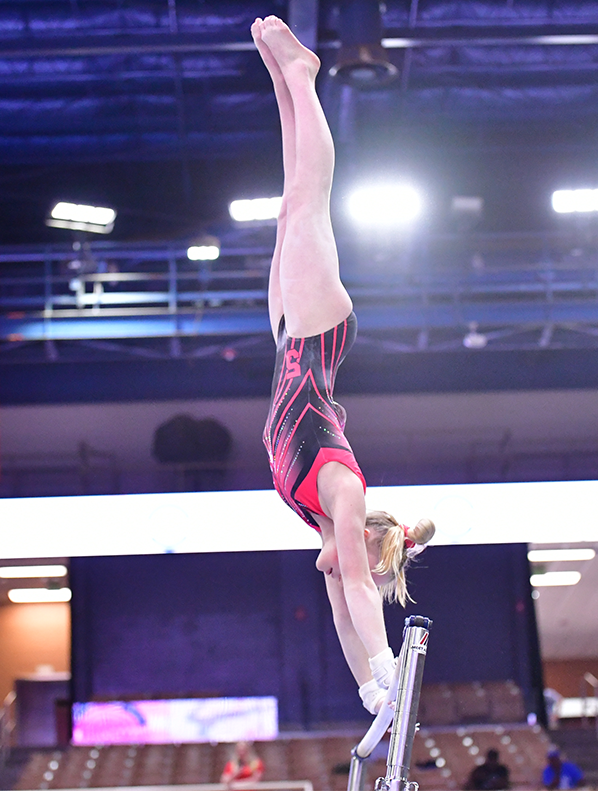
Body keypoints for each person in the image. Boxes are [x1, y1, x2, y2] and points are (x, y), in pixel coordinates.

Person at [252, 15, 435, 716]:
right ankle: (301, 76)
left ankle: (281, 79)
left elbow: (340, 612)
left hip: (286, 338)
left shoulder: (319, 523)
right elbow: (359, 590)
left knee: (289, 208)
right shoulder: (343, 497)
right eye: (361, 559)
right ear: (363, 538)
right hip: (318, 333)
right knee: (310, 205)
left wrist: (367, 689)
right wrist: (393, 675)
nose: (337, 569)